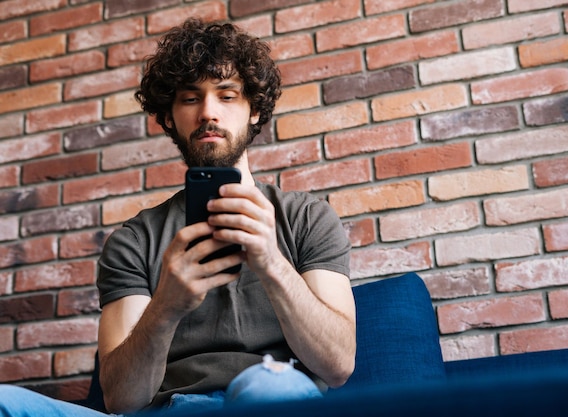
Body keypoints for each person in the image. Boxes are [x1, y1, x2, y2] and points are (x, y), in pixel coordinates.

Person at [0, 18, 355, 416]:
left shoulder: (307, 218)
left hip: (271, 398)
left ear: (254, 111)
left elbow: (338, 365)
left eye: (226, 96)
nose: (208, 113)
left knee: (265, 383)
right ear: (168, 118)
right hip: (170, 410)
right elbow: (121, 399)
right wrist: (167, 304)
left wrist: (272, 263)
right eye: (190, 98)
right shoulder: (134, 242)